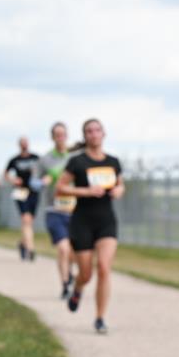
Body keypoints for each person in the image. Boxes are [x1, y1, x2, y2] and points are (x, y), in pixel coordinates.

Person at [55, 118, 124, 334]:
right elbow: (60, 188)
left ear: (104, 134)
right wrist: (86, 191)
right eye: (89, 131)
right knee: (86, 274)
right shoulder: (77, 162)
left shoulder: (113, 161)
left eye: (97, 130)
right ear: (85, 136)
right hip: (82, 221)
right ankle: (77, 288)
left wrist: (119, 191)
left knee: (104, 267)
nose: (94, 134)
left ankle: (100, 318)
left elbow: (121, 184)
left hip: (106, 221)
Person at [38, 122, 77, 298]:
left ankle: (69, 273)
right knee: (63, 248)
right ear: (52, 137)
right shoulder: (45, 160)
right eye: (57, 135)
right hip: (54, 209)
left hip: (75, 209)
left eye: (63, 134)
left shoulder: (75, 157)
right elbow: (34, 182)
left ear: (67, 136)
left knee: (73, 251)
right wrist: (42, 181)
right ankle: (65, 284)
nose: (60, 138)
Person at [4, 137, 41, 261]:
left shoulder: (36, 158)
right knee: (25, 219)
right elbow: (6, 174)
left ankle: (22, 243)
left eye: (26, 142)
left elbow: (44, 171)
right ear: (19, 145)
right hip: (20, 191)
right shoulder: (14, 160)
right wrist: (13, 180)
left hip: (33, 191)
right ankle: (30, 249)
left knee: (30, 221)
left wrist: (42, 180)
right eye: (22, 143)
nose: (24, 145)